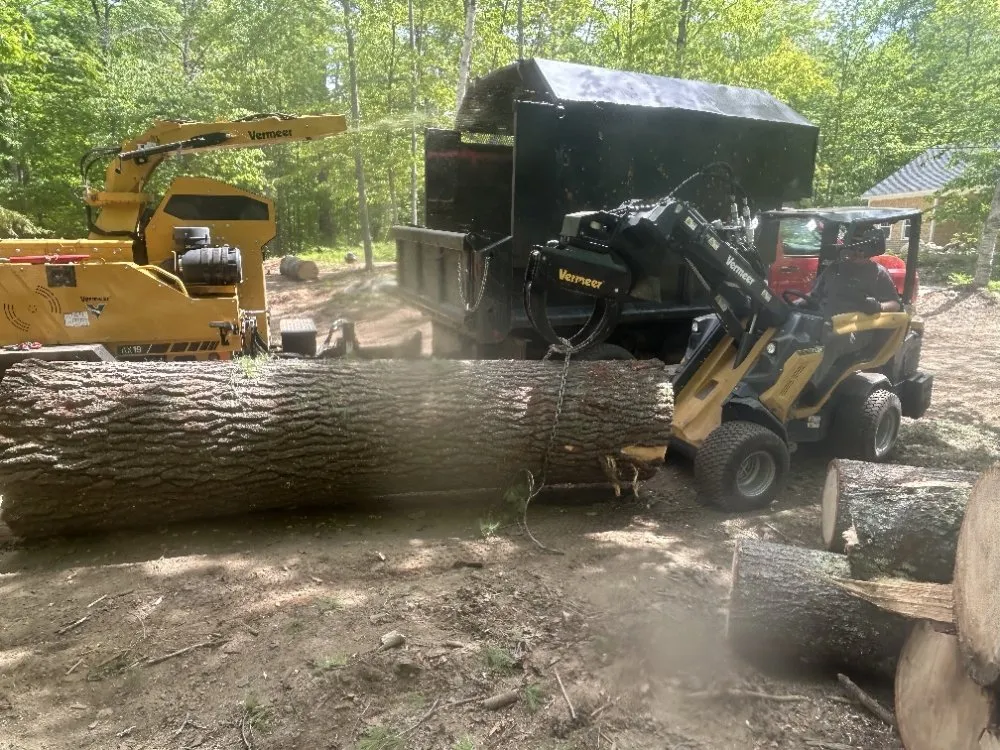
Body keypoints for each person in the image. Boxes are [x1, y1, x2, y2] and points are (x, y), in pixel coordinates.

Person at [800, 227, 902, 317]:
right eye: (852, 247)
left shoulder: (878, 273)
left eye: (860, 249)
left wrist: (878, 307)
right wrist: (797, 302)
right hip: (824, 323)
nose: (856, 252)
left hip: (855, 329)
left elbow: (896, 305)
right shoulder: (835, 268)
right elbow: (815, 294)